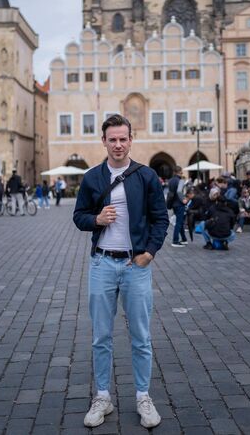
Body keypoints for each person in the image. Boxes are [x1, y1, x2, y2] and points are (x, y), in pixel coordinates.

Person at [73, 114, 168, 429]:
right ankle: (103, 396)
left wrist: (149, 253)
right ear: (103, 141)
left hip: (134, 265)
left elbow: (160, 219)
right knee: (101, 336)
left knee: (140, 336)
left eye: (122, 139)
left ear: (131, 140)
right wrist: (96, 220)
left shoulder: (146, 176)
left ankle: (143, 396)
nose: (117, 144)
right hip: (102, 262)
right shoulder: (92, 177)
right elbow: (79, 216)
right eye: (112, 139)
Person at [167, 166, 187, 247]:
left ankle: (184, 239)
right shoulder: (180, 180)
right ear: (180, 172)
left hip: (173, 203)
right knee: (179, 222)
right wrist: (183, 199)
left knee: (180, 221)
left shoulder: (171, 180)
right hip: (179, 204)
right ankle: (175, 241)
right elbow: (179, 191)